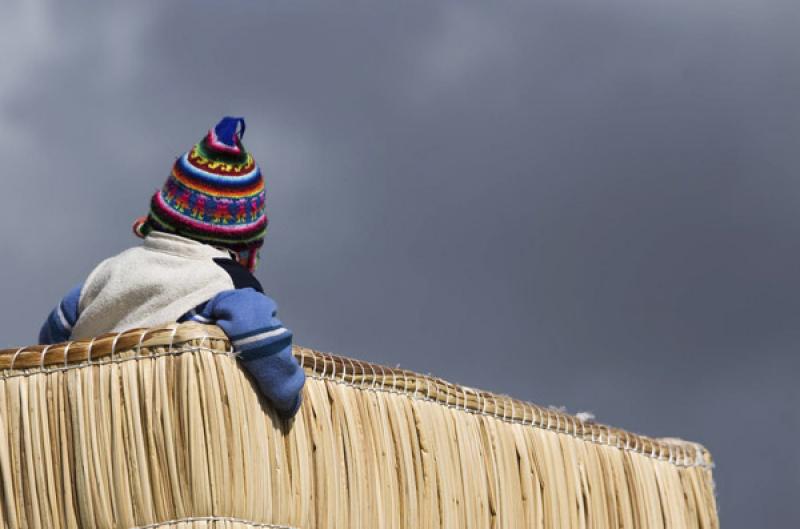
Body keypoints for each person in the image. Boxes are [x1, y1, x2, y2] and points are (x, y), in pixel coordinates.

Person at [38, 117, 305, 418]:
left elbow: (50, 341)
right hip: (166, 418)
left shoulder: (109, 272)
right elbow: (259, 336)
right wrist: (290, 396)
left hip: (92, 415)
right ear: (244, 237)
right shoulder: (226, 282)